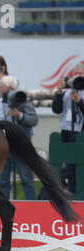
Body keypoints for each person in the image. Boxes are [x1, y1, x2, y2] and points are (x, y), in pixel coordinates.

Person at [0, 75, 38, 200]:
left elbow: (33, 120)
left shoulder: (23, 100)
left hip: (21, 145)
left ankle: (31, 208)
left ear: (10, 88)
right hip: (4, 145)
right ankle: (4, 206)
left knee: (26, 178)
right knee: (2, 179)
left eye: (1, 87)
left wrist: (19, 115)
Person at [52, 63, 84, 193]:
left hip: (80, 133)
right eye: (76, 74)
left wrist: (79, 102)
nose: (78, 76)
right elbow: (56, 109)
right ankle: (71, 192)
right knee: (67, 167)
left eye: (81, 74)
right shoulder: (67, 92)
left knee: (78, 167)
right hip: (66, 131)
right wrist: (58, 92)